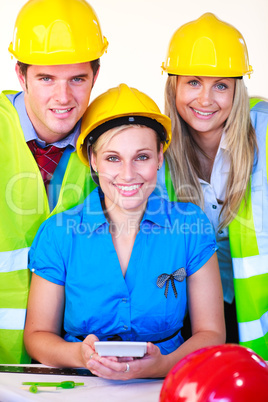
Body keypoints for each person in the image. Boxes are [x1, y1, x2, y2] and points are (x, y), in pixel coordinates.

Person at [23, 84, 225, 379]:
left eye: (141, 157)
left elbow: (211, 332)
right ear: (93, 159)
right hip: (80, 384)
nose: (128, 174)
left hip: (167, 382)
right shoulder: (58, 233)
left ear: (160, 157)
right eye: (113, 158)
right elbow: (38, 335)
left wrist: (163, 365)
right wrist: (80, 355)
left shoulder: (190, 227)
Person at [0, 0, 108, 364]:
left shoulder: (113, 143)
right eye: (46, 78)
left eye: (77, 79)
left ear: (95, 75)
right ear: (20, 74)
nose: (63, 98)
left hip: (77, 364)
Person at [159, 12, 268, 359]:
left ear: (238, 89)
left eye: (221, 85)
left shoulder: (264, 132)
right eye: (193, 82)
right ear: (173, 84)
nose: (206, 99)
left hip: (259, 314)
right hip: (193, 319)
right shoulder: (155, 147)